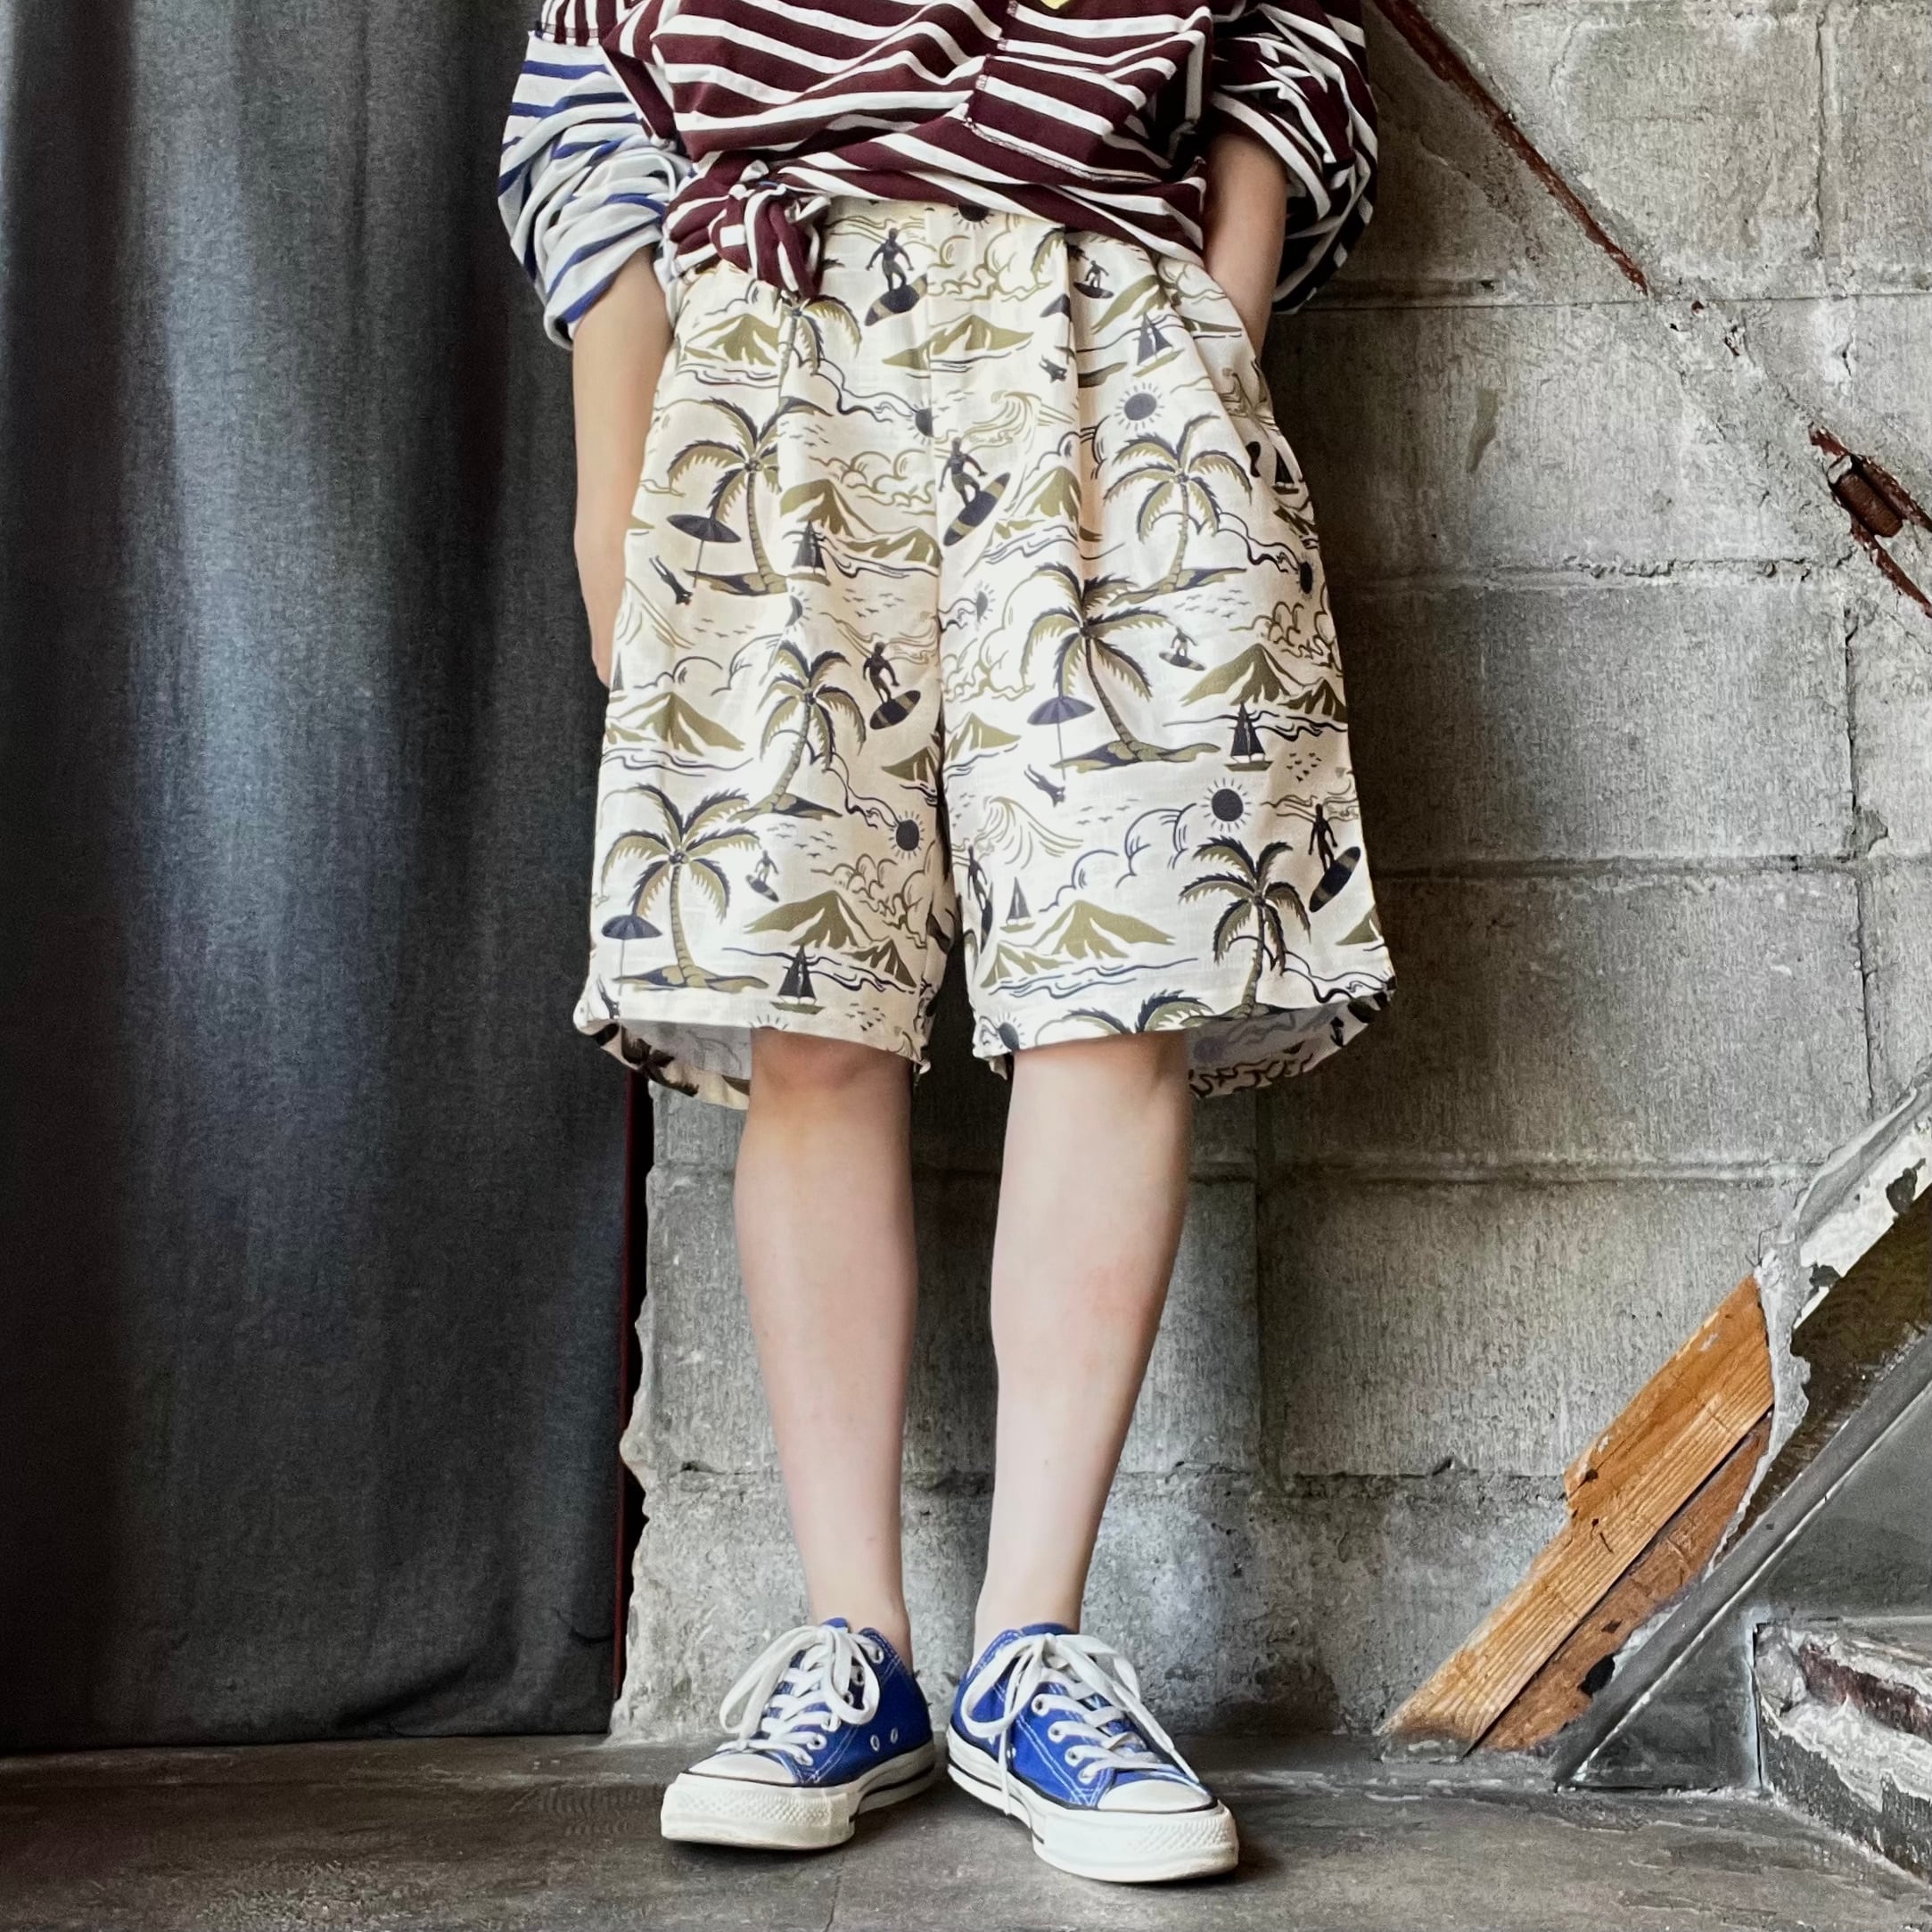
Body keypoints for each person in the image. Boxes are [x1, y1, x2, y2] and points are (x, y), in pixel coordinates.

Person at [499, 0, 1389, 1886]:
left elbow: (1293, 45)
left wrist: (1210, 338)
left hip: (1108, 325)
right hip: (769, 348)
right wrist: (613, 482)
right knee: (805, 1011)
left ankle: (1031, 1653)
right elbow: (587, 103)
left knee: (1115, 993)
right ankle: (856, 1649)